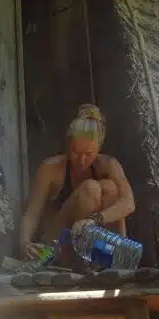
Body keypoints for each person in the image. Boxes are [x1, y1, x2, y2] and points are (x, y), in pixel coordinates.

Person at [19, 104, 135, 261]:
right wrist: (24, 242)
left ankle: (120, 255)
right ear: (68, 143)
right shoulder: (51, 168)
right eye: (76, 152)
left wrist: (96, 219)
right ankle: (81, 259)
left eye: (89, 154)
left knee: (110, 188)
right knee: (90, 188)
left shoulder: (108, 164)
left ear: (99, 149)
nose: (81, 160)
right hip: (56, 243)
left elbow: (128, 203)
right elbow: (32, 213)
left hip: (95, 243)